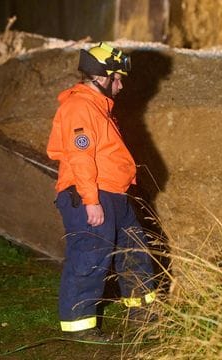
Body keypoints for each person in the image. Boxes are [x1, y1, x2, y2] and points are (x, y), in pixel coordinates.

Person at [46, 42, 156, 341]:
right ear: (102, 77)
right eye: (117, 79)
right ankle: (78, 327)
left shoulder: (99, 108)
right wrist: (91, 200)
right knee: (90, 257)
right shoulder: (79, 106)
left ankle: (144, 316)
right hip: (90, 194)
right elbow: (81, 156)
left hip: (115, 194)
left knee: (135, 251)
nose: (120, 86)